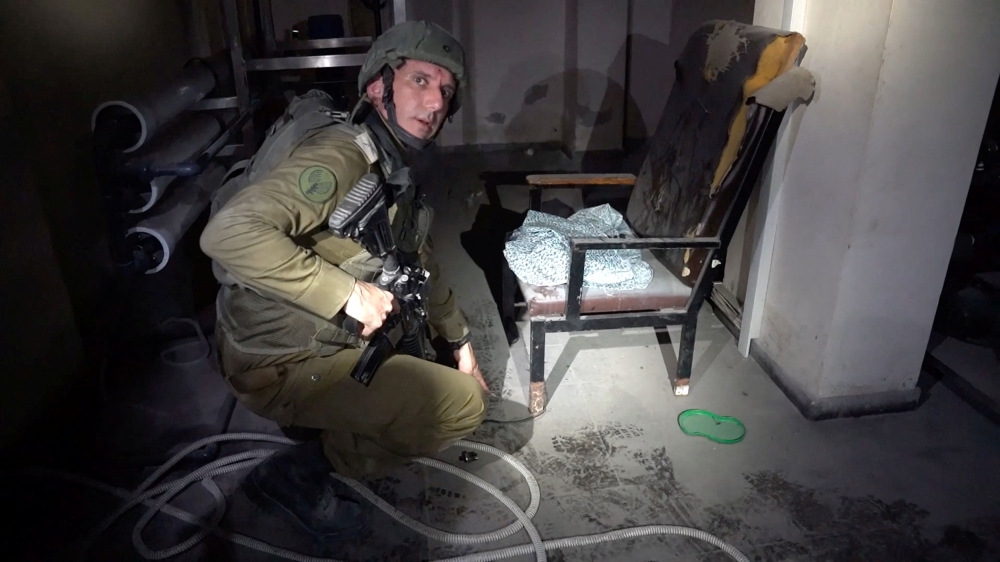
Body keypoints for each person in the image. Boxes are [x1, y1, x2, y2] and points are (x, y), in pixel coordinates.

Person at [199, 21, 488, 539]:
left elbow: (418, 257)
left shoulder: (387, 160)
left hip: (280, 337)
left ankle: (315, 418)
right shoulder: (345, 155)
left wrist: (460, 340)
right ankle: (296, 477)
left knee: (424, 348)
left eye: (445, 90)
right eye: (420, 81)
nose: (437, 101)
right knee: (461, 405)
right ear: (379, 86)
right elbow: (229, 234)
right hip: (273, 361)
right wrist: (349, 294)